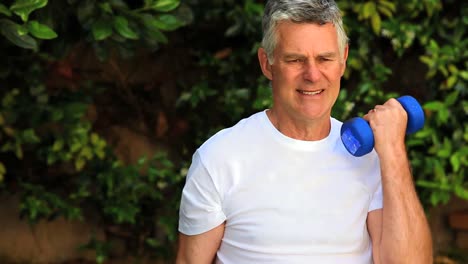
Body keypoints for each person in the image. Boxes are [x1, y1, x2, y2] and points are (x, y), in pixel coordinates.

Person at [176, 0, 433, 263]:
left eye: (325, 58)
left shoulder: (374, 159)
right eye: (295, 60)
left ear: (343, 59)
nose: (312, 75)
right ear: (267, 63)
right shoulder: (219, 158)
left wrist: (392, 152)